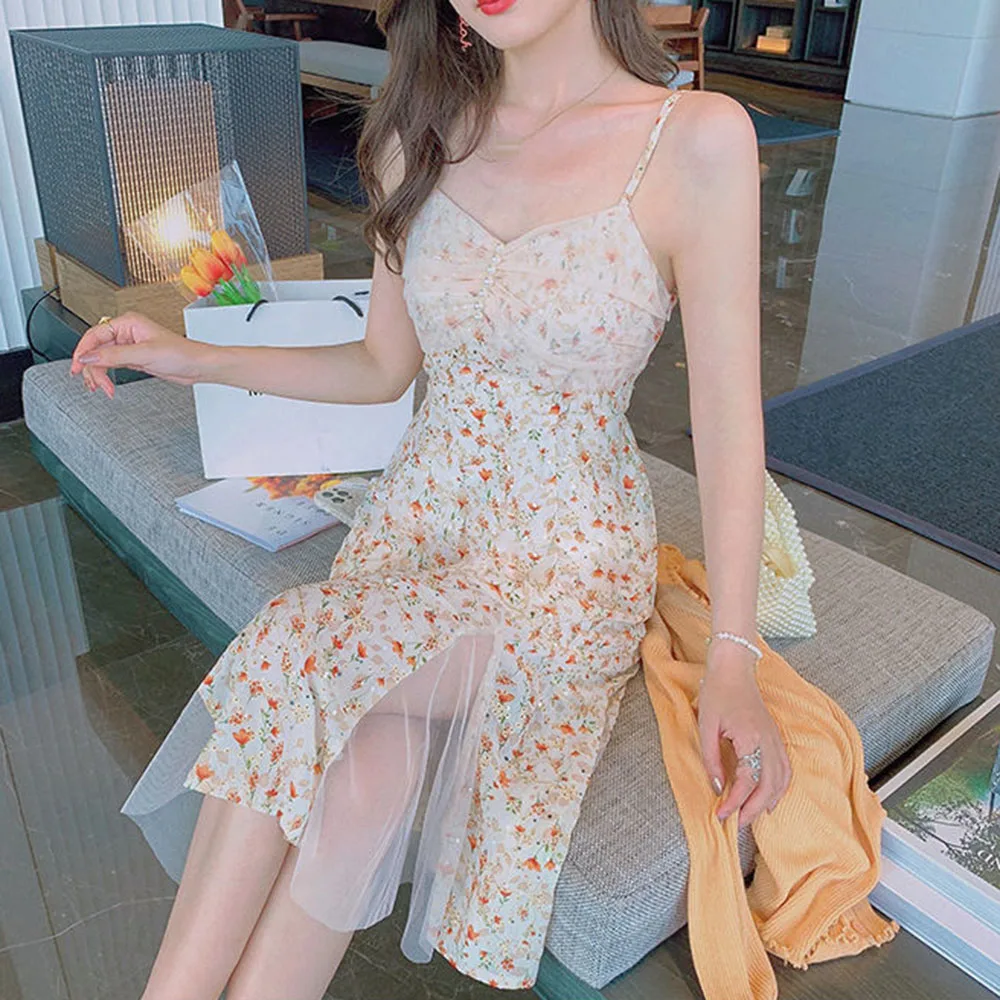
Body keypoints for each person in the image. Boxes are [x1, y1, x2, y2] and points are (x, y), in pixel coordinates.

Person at [70, 1, 790, 997]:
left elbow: (727, 417)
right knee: (365, 781)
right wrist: (195, 356)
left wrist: (734, 659)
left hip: (562, 568)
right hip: (416, 529)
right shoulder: (417, 138)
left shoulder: (695, 140)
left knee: (291, 644)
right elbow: (381, 366)